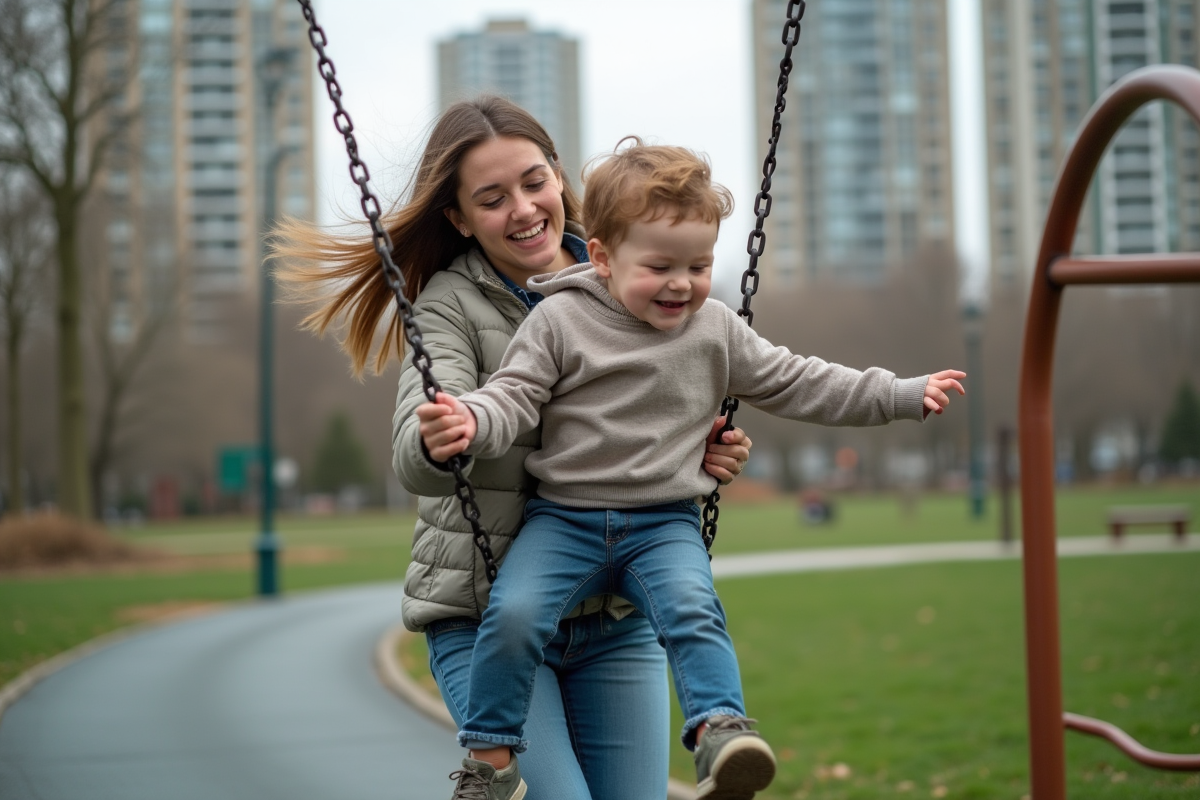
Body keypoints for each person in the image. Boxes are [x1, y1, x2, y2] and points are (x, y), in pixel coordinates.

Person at [416, 139, 967, 800]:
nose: (681, 283)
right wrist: (471, 420)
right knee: (513, 613)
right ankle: (491, 761)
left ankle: (720, 730)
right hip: (565, 519)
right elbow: (513, 395)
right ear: (604, 257)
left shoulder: (714, 328)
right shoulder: (558, 320)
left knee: (692, 608)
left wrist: (898, 394)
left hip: (662, 523)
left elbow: (800, 380)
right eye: (659, 266)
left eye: (699, 265)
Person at [274, 97, 753, 800]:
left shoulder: (637, 271)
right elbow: (414, 456)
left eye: (534, 182)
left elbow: (676, 392)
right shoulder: (446, 305)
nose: (524, 209)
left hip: (611, 620)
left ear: (559, 177)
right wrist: (445, 439)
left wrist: (702, 451)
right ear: (461, 219)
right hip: (488, 616)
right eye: (492, 198)